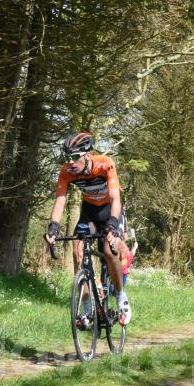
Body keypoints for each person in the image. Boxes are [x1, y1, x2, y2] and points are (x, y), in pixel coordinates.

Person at [44, 132, 131, 325]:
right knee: (78, 250)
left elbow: (116, 199)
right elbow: (60, 201)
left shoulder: (104, 163)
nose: (71, 162)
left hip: (111, 211)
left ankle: (121, 297)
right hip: (90, 212)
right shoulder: (67, 172)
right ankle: (86, 308)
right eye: (67, 158)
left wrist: (114, 225)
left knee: (110, 251)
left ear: (86, 155)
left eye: (75, 157)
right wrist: (53, 227)